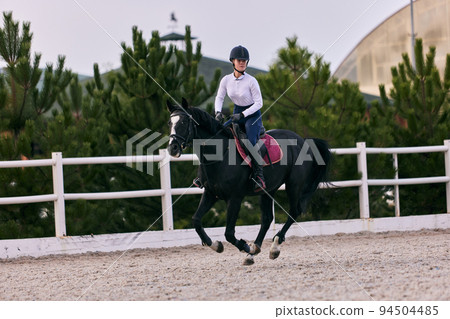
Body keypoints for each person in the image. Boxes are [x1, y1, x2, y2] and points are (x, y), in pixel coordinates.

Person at [193, 45, 266, 192]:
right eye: (239, 60)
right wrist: (218, 112)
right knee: (218, 138)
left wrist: (243, 115)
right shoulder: (226, 80)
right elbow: (219, 97)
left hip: (252, 115)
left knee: (250, 142)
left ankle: (259, 176)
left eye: (245, 61)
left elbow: (259, 103)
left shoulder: (251, 81)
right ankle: (202, 176)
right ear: (233, 61)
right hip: (237, 112)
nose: (242, 63)